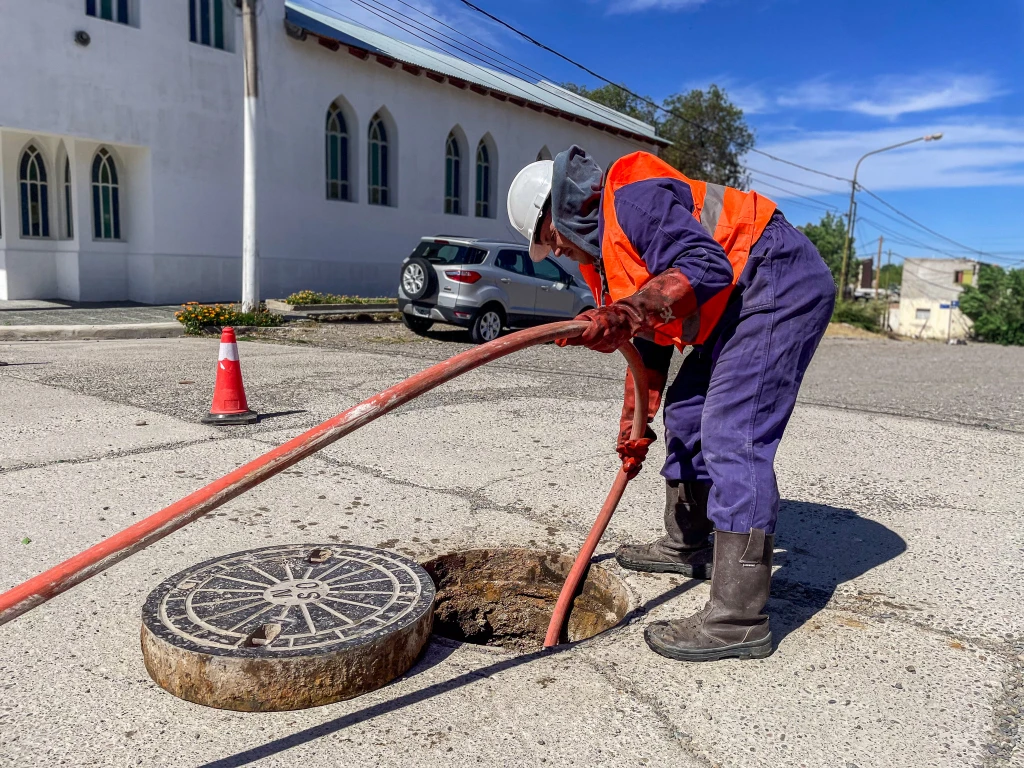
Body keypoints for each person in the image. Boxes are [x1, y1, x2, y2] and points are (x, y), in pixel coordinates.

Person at [506, 146, 835, 662]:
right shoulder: (609, 257)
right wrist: (633, 430)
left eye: (553, 244)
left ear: (559, 216)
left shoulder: (632, 200)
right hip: (738, 295)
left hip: (775, 277)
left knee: (733, 432)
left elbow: (705, 266)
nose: (563, 256)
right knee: (686, 411)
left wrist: (627, 312)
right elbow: (648, 350)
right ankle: (687, 543)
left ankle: (738, 619)